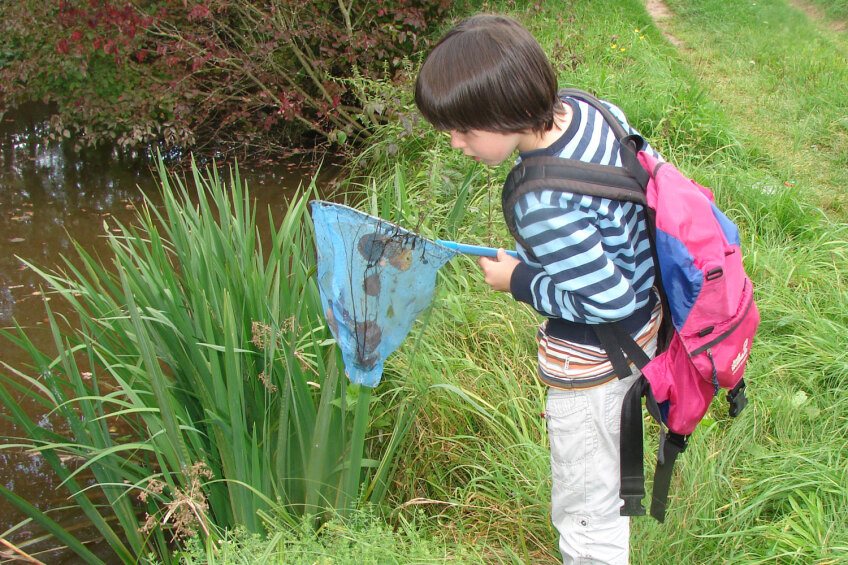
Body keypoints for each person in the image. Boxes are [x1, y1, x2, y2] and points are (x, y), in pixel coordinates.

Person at [414, 14, 664, 565]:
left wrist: (520, 279)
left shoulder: (539, 200)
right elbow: (613, 221)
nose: (455, 144)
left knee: (586, 512)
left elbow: (609, 301)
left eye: (463, 129)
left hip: (598, 365)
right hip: (648, 322)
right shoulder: (590, 110)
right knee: (604, 494)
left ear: (504, 112)